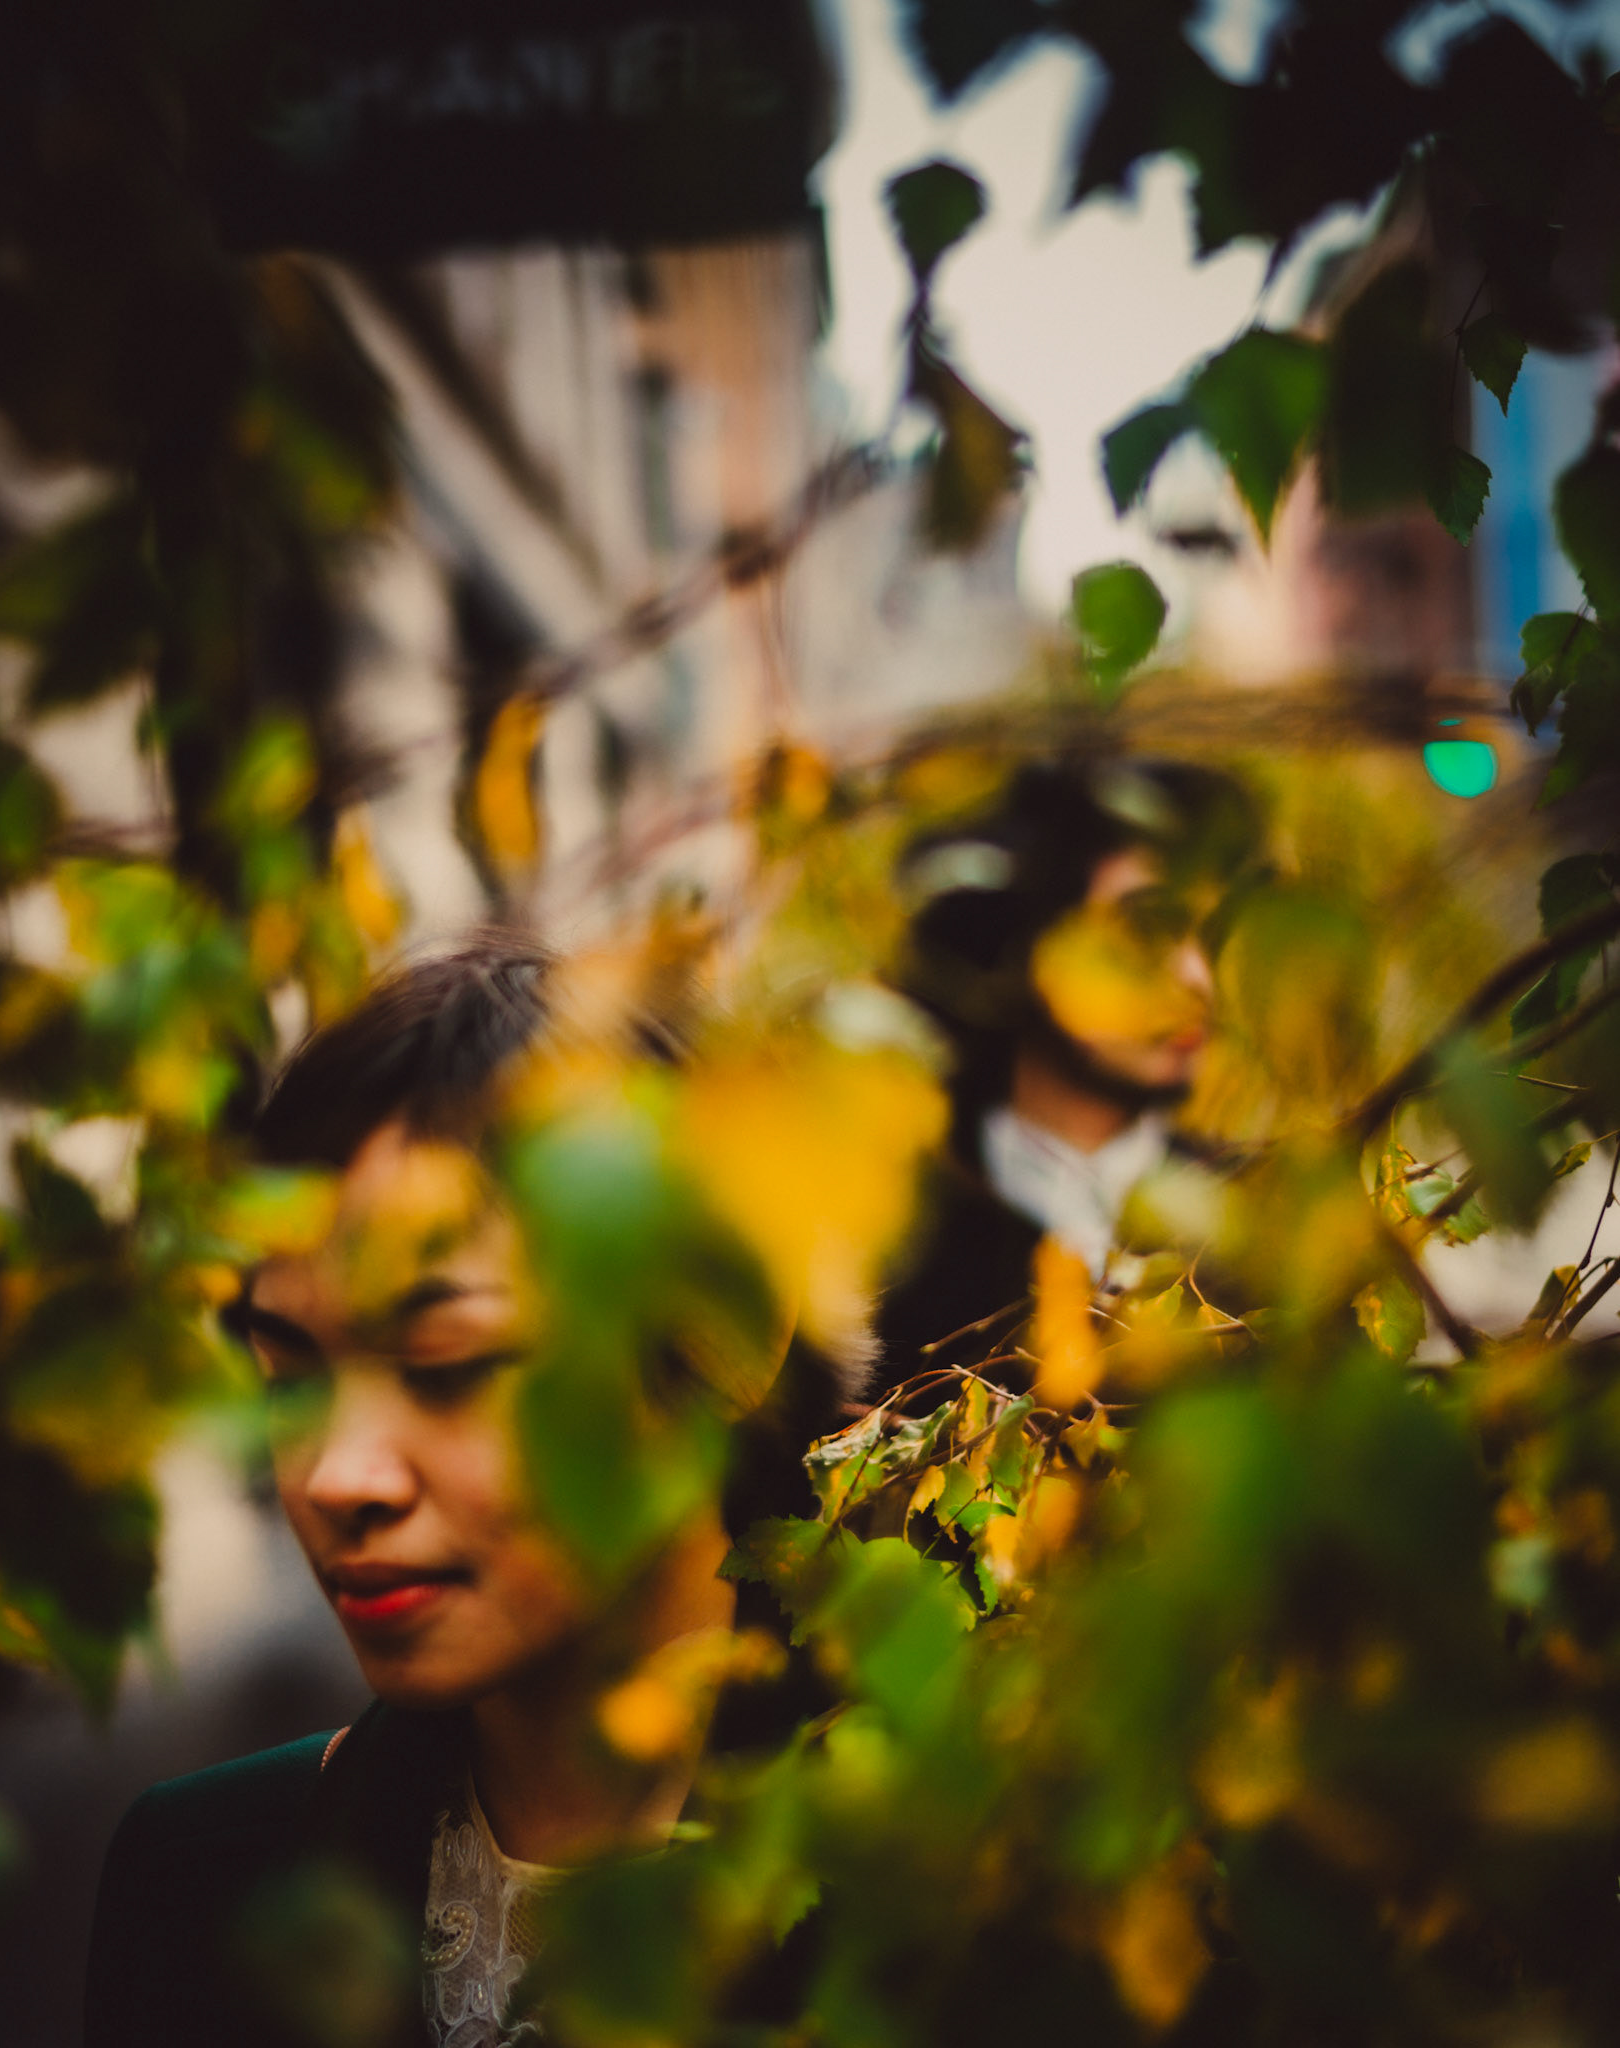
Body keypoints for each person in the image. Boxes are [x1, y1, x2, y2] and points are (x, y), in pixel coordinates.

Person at [84, 938, 853, 2048]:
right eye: (289, 1376)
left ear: (724, 1343)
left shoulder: (958, 1870)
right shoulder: (203, 1874)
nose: (340, 1477)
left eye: (446, 1368)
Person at [875, 754, 1257, 1398]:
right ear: (1028, 950)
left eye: (1205, 934)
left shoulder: (1255, 1233)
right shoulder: (884, 1253)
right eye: (1144, 930)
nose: (1196, 978)